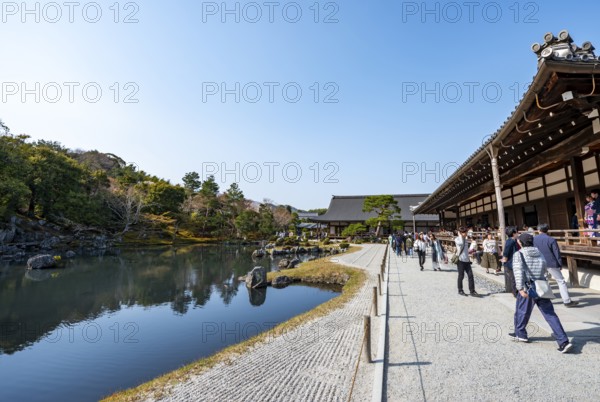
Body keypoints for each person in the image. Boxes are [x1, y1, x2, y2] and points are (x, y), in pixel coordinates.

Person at [510, 233, 573, 353]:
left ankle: (521, 333)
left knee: (522, 310)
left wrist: (520, 288)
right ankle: (563, 341)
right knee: (550, 314)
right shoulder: (539, 252)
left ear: (521, 243)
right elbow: (545, 268)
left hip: (527, 286)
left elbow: (518, 272)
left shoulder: (519, 254)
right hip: (541, 285)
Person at [534, 223, 579, 307]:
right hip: (551, 262)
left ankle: (543, 299)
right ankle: (566, 300)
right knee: (560, 281)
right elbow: (556, 253)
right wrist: (559, 263)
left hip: (539, 262)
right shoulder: (551, 239)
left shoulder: (534, 239)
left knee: (543, 281)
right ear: (547, 230)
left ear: (538, 230)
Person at [455, 227, 478, 296]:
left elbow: (467, 250)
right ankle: (460, 290)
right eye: (464, 232)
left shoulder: (466, 239)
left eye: (466, 232)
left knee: (470, 275)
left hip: (467, 261)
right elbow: (461, 243)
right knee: (461, 276)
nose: (466, 234)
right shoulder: (457, 239)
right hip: (460, 260)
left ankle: (472, 290)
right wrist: (460, 235)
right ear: (461, 233)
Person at [502, 226, 519, 297]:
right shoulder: (510, 241)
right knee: (514, 278)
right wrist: (505, 258)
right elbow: (506, 251)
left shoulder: (513, 240)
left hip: (513, 261)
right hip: (510, 262)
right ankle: (515, 293)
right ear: (513, 233)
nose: (518, 233)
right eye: (516, 232)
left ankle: (515, 291)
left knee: (514, 278)